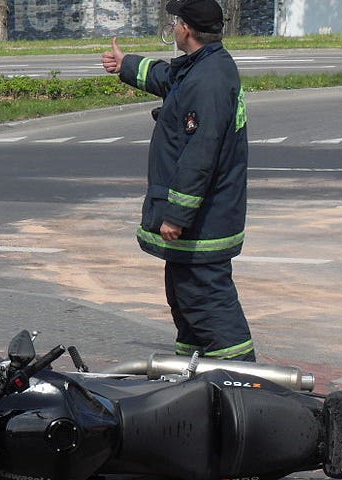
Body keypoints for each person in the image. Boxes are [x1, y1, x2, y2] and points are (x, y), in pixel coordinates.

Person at [102, 0, 255, 361]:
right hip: (203, 224)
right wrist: (126, 65)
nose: (172, 27)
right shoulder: (203, 67)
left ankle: (246, 387)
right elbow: (169, 79)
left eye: (174, 21)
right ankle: (196, 384)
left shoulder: (210, 80)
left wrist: (177, 214)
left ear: (185, 29)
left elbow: (199, 156)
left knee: (208, 307)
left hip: (204, 225)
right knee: (188, 307)